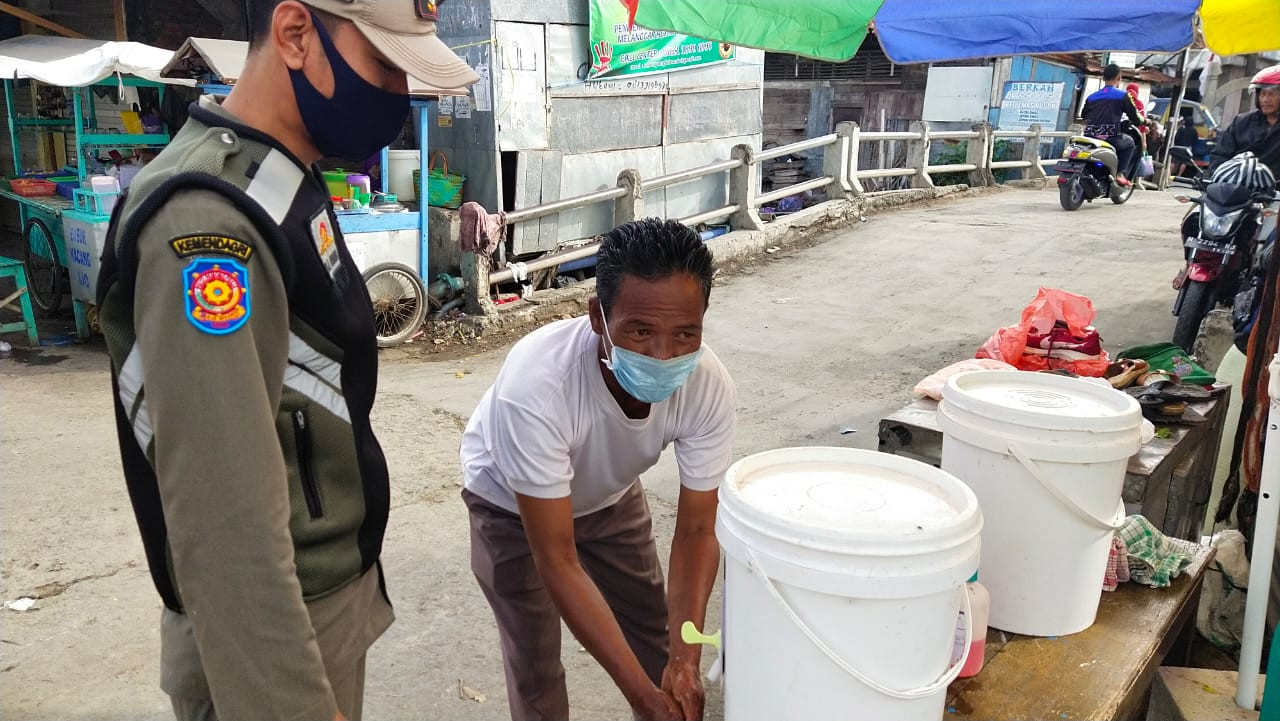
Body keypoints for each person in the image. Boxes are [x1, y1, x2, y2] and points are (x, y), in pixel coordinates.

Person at [95, 1, 476, 719]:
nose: (398, 96)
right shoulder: (207, 227)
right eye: (385, 66)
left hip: (322, 605)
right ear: (296, 34)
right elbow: (226, 523)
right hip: (270, 641)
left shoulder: (279, 175)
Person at [460, 218, 737, 721]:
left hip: (610, 493)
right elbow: (558, 559)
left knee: (659, 632)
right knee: (535, 660)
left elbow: (698, 530)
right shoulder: (538, 387)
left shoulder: (708, 385)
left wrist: (685, 658)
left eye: (684, 334)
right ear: (597, 318)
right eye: (640, 330)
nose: (663, 355)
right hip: (508, 502)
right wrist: (640, 696)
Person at [1210, 64, 1280, 175]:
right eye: (1262, 94)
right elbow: (1220, 155)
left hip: (1273, 189)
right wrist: (1218, 177)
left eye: (1271, 95)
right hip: (1236, 186)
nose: (1265, 100)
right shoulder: (1241, 122)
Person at [1082, 63, 1143, 186]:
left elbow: (1084, 115)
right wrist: (1146, 122)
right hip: (1110, 138)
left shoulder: (1092, 97)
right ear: (1119, 78)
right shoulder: (1122, 96)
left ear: (1103, 78)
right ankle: (1120, 174)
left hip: (1090, 136)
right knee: (1130, 143)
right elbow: (1136, 117)